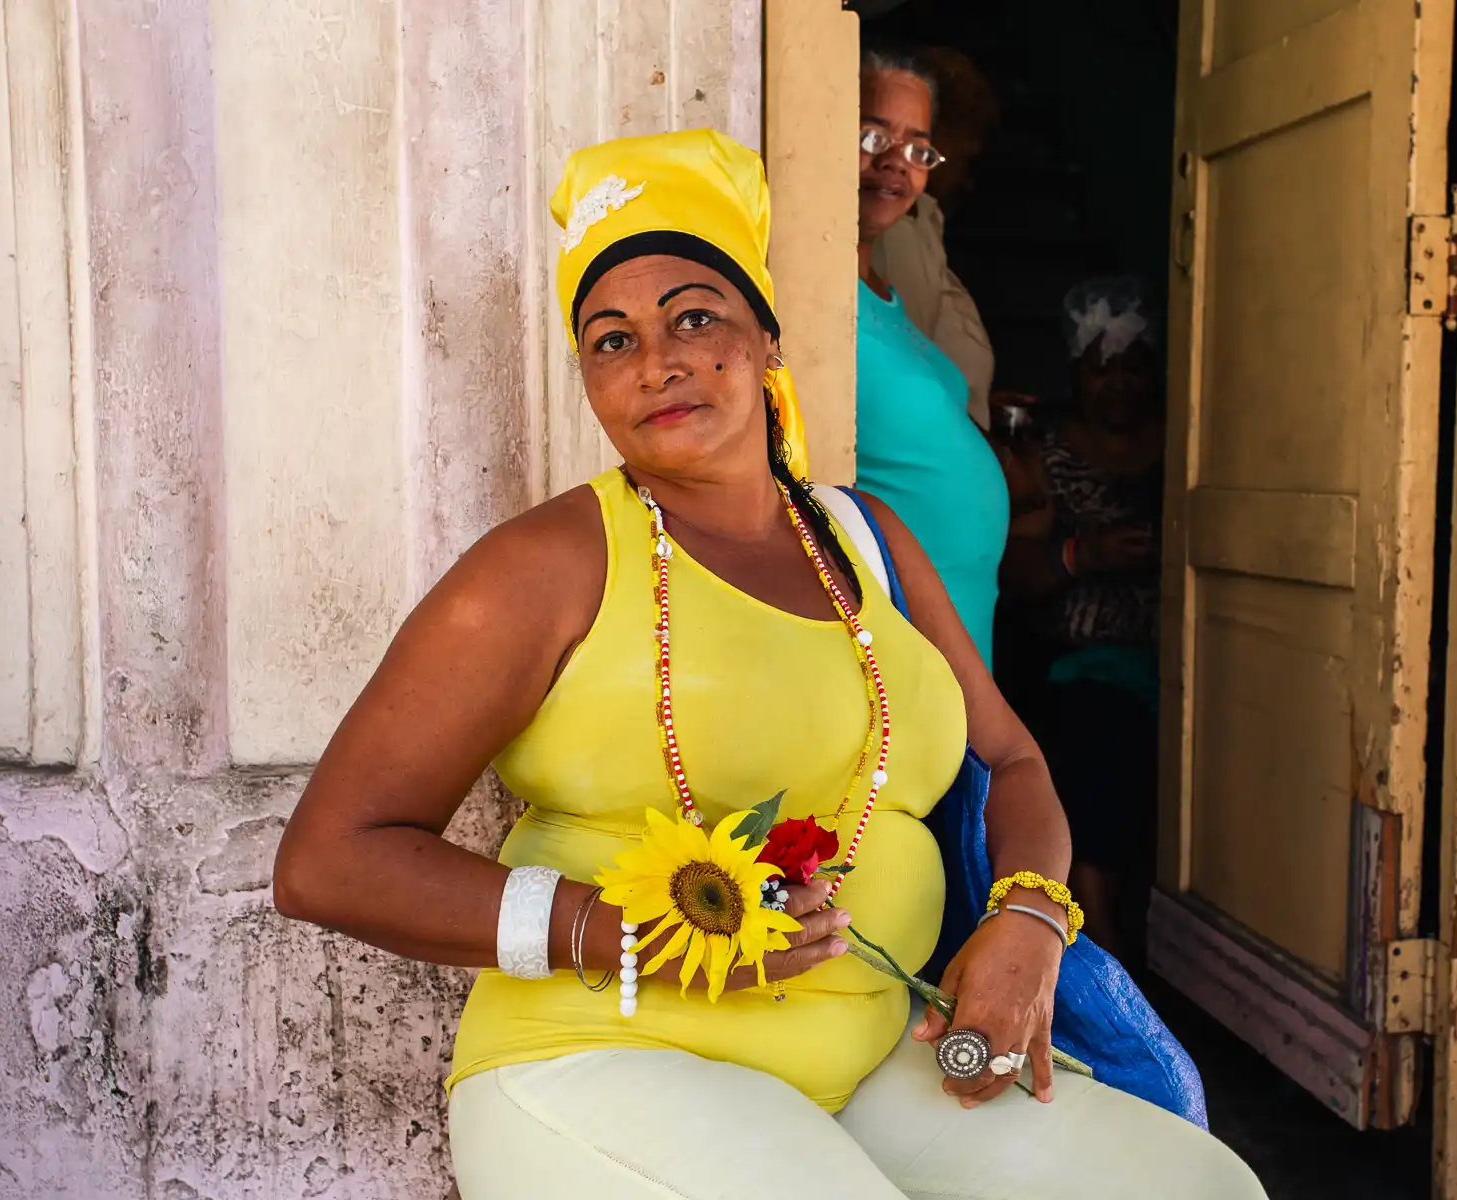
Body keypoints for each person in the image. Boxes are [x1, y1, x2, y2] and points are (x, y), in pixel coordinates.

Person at [272, 131, 1262, 1199]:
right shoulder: (547, 564)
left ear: (769, 339)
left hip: (874, 1055)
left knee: (1197, 1189)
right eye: (611, 340)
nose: (657, 361)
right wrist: (631, 935)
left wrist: (1029, 919)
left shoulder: (863, 538)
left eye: (696, 317)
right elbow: (329, 860)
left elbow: (1013, 759)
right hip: (605, 1058)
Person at [998, 276, 1166, 968]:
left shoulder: (1187, 442)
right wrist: (1085, 554)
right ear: (1075, 373)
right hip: (1077, 664)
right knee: (1102, 738)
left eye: (1133, 367)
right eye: (1101, 369)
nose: (1118, 385)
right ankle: (1105, 947)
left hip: (1182, 658)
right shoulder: (1045, 456)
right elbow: (1016, 572)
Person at [855, 48, 1010, 670]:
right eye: (872, 136)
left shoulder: (885, 297)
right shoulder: (807, 301)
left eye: (919, 149)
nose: (897, 162)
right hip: (897, 645)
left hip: (955, 636)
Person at [869, 47, 998, 429]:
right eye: (966, 154)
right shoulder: (893, 231)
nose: (966, 177)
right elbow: (904, 369)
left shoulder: (921, 222)